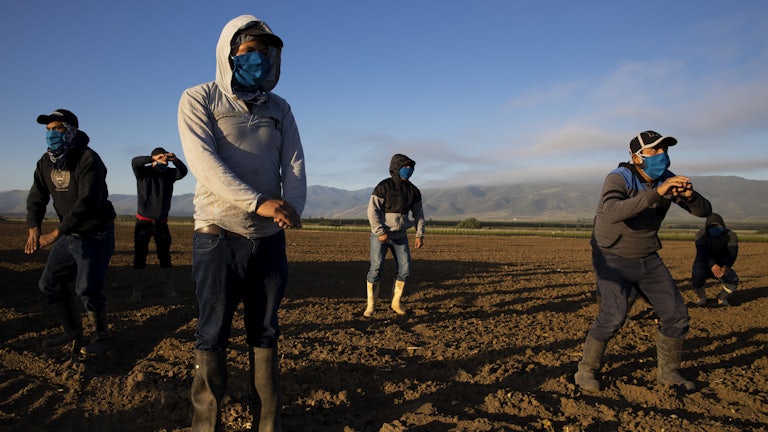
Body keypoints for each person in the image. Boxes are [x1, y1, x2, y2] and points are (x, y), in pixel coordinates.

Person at [178, 15, 306, 432]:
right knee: (212, 330)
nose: (257, 58)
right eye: (248, 51)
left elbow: (294, 163)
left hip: (268, 239)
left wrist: (292, 206)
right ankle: (205, 425)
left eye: (264, 52)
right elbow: (204, 164)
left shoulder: (279, 108)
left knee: (265, 331)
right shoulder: (199, 98)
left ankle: (267, 426)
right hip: (217, 234)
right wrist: (259, 202)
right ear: (228, 53)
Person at [574, 130, 712, 393]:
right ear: (637, 157)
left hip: (647, 255)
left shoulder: (667, 179)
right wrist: (657, 193)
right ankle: (586, 369)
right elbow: (613, 211)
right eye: (654, 151)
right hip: (611, 255)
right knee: (613, 315)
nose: (662, 155)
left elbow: (704, 212)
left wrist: (691, 196)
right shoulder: (619, 177)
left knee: (677, 315)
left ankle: (669, 373)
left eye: (665, 150)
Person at [25, 109, 116, 356]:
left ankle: (100, 336)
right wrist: (34, 226)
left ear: (71, 130)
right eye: (48, 130)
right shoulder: (45, 162)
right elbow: (37, 196)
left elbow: (88, 203)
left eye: (58, 128)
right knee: (49, 283)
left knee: (87, 288)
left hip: (95, 234)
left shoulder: (88, 159)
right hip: (69, 235)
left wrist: (55, 233)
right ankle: (72, 331)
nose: (51, 134)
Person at [364, 154, 425, 317]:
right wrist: (380, 231)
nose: (409, 170)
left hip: (401, 236)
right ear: (397, 168)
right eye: (406, 167)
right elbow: (372, 211)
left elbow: (419, 214)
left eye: (411, 167)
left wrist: (420, 235)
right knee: (376, 269)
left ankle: (395, 303)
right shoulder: (383, 187)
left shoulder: (413, 191)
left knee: (405, 269)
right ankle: (371, 306)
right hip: (381, 236)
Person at [130, 147, 188, 302]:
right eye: (160, 159)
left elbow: (183, 171)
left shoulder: (169, 174)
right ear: (154, 159)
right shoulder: (143, 173)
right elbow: (135, 162)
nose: (163, 161)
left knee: (164, 256)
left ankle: (169, 291)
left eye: (165, 160)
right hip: (143, 222)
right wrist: (152, 158)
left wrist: (174, 160)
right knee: (139, 256)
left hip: (161, 223)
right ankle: (137, 291)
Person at [691, 212, 738, 306]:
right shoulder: (700, 235)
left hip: (722, 264)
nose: (715, 229)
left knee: (733, 280)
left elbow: (733, 252)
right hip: (703, 263)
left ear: (723, 226)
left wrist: (727, 266)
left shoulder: (730, 235)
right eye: (713, 226)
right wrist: (713, 265)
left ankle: (722, 298)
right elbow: (703, 252)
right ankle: (702, 298)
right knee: (697, 276)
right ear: (707, 227)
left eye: (718, 226)